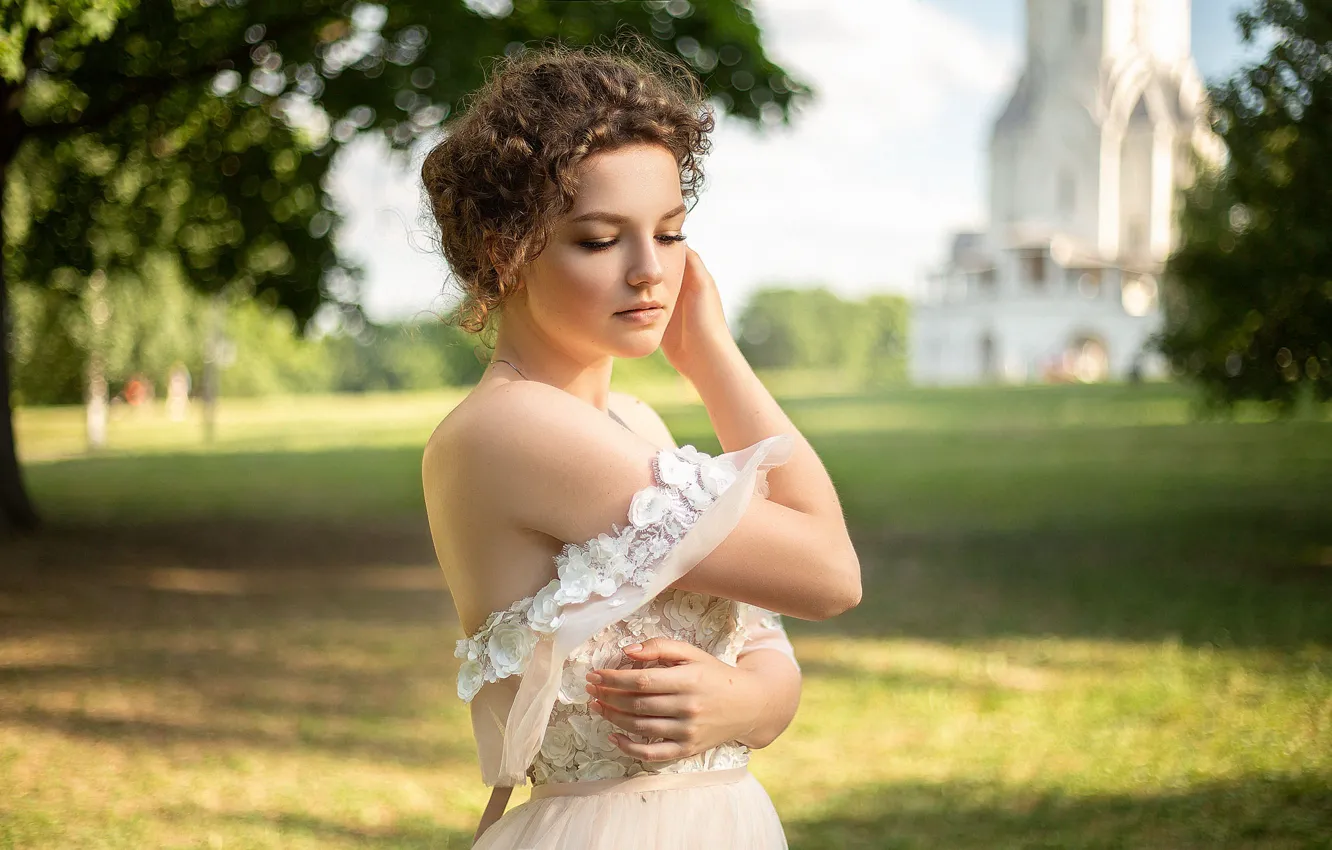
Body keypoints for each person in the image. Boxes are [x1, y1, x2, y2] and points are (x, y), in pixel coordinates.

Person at [420, 40, 861, 849]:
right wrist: (714, 357)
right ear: (502, 250)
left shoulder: (635, 428)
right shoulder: (511, 429)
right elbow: (829, 573)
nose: (649, 272)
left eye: (670, 233)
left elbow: (763, 641)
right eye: (599, 239)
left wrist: (752, 704)